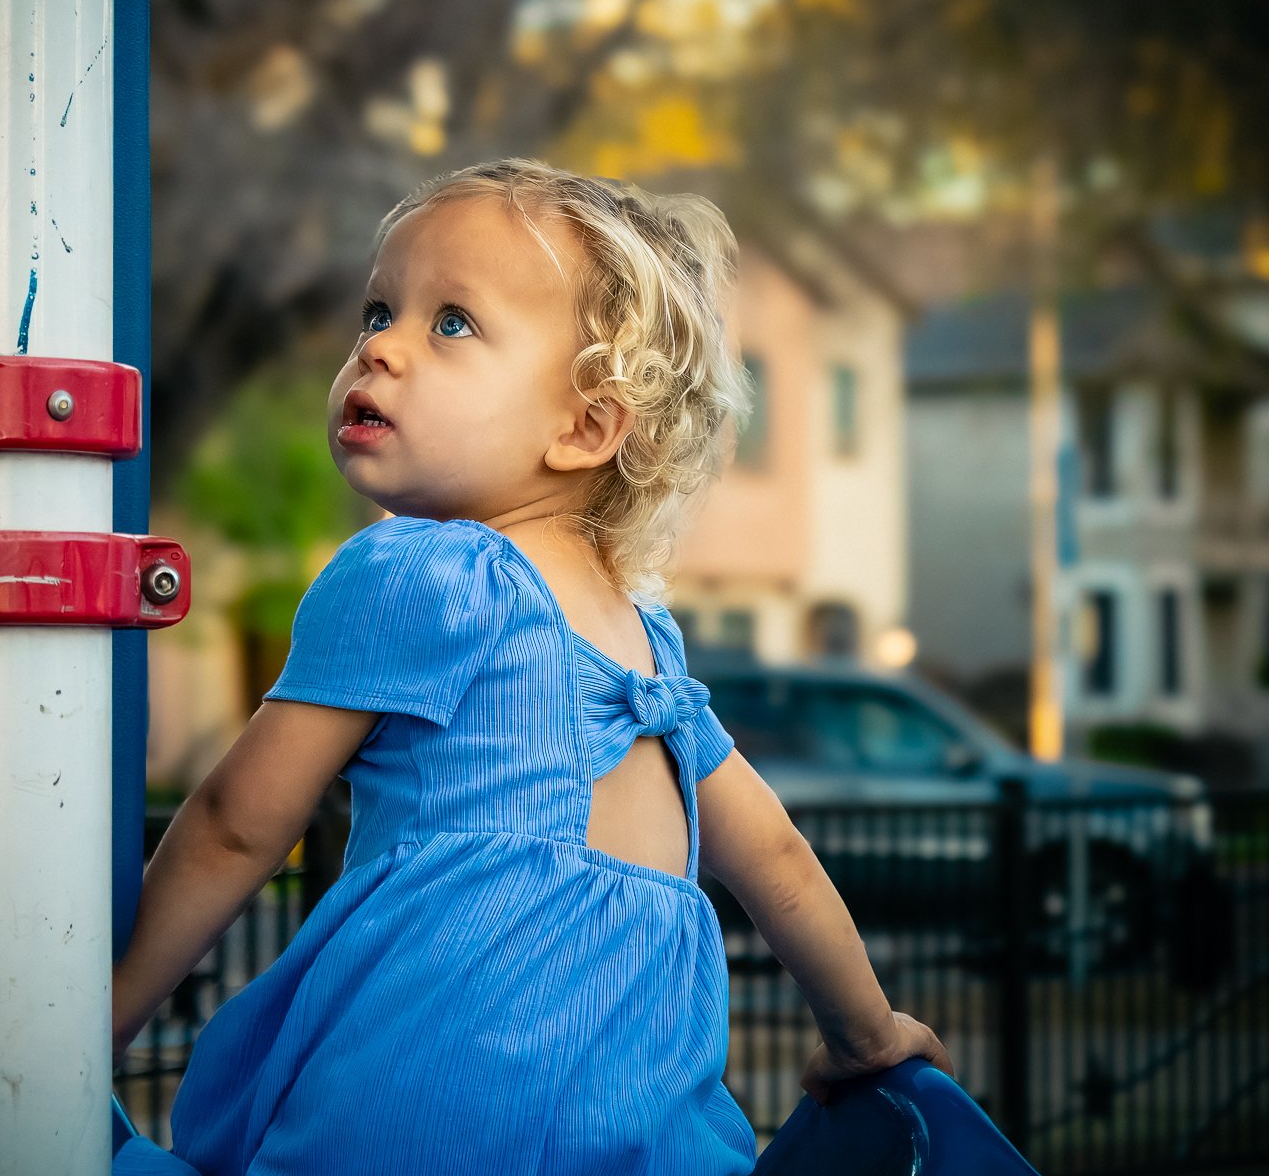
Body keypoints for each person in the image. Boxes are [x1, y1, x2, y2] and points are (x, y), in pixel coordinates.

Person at [111, 158, 954, 1174]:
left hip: (428, 1107)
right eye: (379, 309)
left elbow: (236, 824)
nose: (381, 346)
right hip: (638, 1130)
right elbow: (771, 854)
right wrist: (867, 1034)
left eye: (451, 323)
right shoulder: (648, 642)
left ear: (586, 425)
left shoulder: (419, 569)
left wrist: (100, 1023)